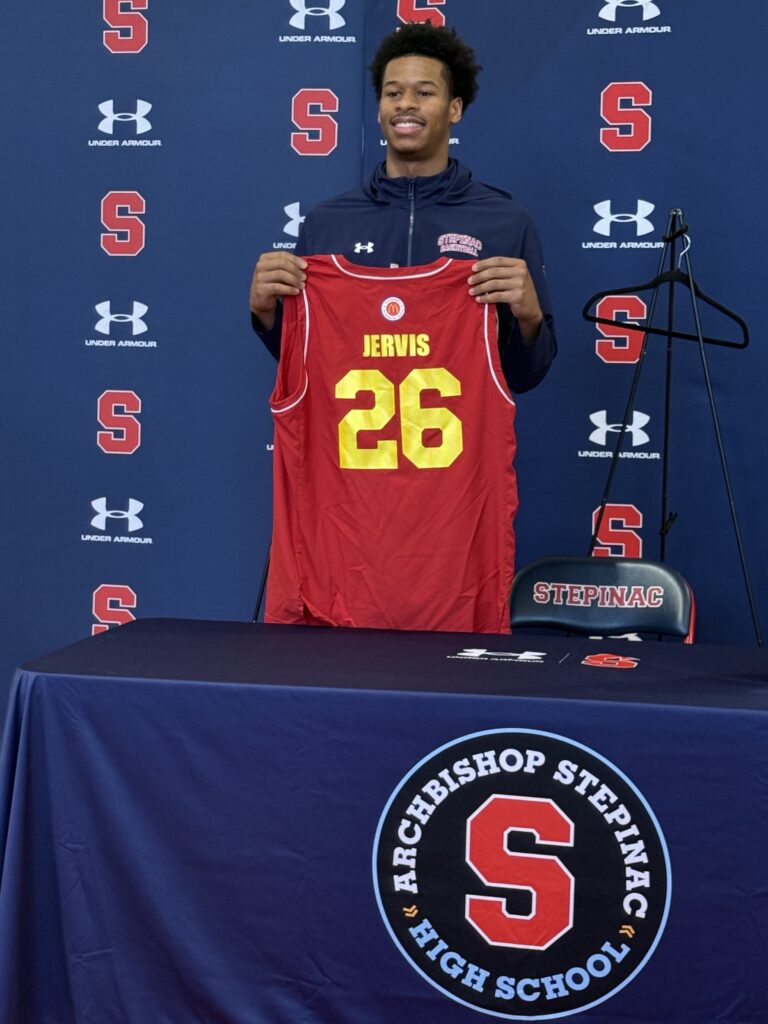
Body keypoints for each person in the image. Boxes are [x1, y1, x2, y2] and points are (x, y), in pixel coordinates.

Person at [250, 22, 556, 394]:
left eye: (424, 92)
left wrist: (530, 318)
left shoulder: (505, 221)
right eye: (393, 92)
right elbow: (307, 364)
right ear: (380, 109)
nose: (406, 103)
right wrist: (267, 315)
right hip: (352, 451)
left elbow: (524, 377)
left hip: (462, 450)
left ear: (454, 108)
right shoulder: (326, 223)